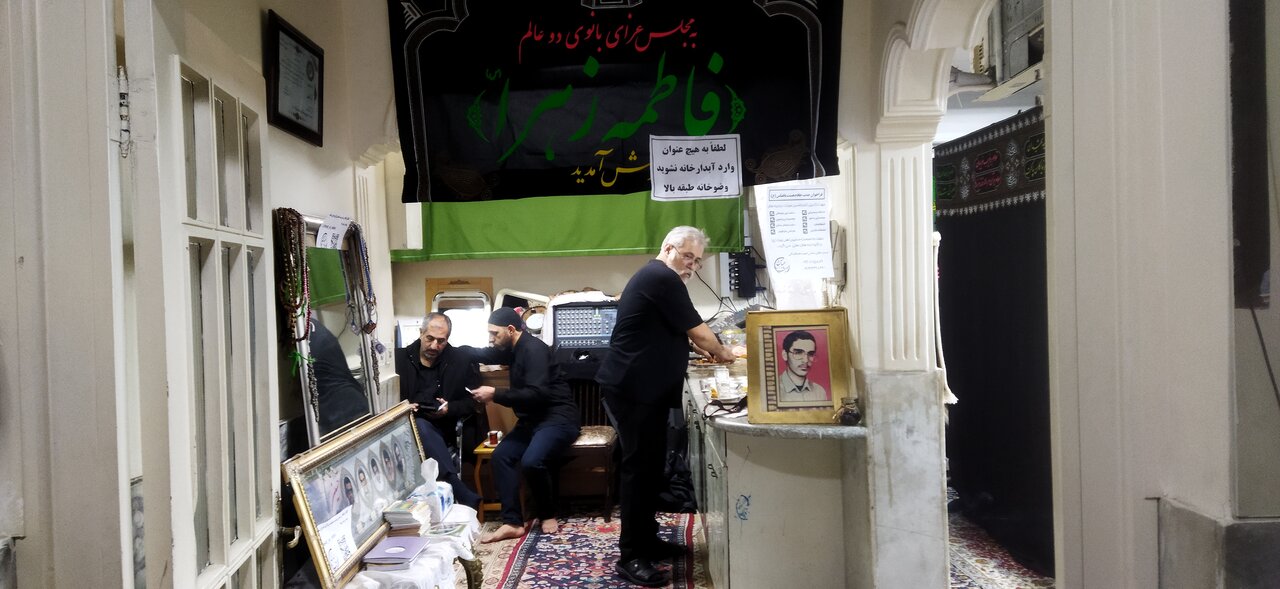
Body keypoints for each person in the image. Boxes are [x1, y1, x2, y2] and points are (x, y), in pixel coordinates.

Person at [595, 226, 735, 587]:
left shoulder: (658, 277)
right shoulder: (662, 277)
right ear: (668, 248)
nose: (692, 265)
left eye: (697, 261)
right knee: (639, 470)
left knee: (652, 468)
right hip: (634, 389)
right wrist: (726, 353)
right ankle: (631, 556)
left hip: (646, 390)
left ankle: (646, 539)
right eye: (687, 256)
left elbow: (671, 330)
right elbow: (698, 330)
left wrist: (699, 347)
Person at [466, 307, 581, 543]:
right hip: (532, 421)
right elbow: (485, 354)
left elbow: (537, 394)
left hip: (557, 418)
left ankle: (547, 513)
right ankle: (513, 523)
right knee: (501, 456)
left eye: (495, 333)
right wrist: (453, 350)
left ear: (511, 330)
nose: (491, 338)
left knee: (532, 461)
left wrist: (494, 394)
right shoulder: (512, 348)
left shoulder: (534, 349)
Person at [395, 312, 483, 508]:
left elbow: (473, 403)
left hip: (445, 427)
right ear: (421, 333)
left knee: (423, 427)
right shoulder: (400, 359)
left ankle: (455, 490)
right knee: (420, 425)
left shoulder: (459, 360)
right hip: (407, 429)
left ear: (448, 339)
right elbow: (388, 401)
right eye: (430, 338)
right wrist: (404, 408)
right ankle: (458, 488)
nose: (434, 346)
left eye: (441, 341)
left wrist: (449, 408)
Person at [777, 330, 829, 403]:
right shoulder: (773, 390)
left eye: (810, 354)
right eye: (798, 353)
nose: (806, 360)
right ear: (785, 355)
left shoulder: (819, 392)